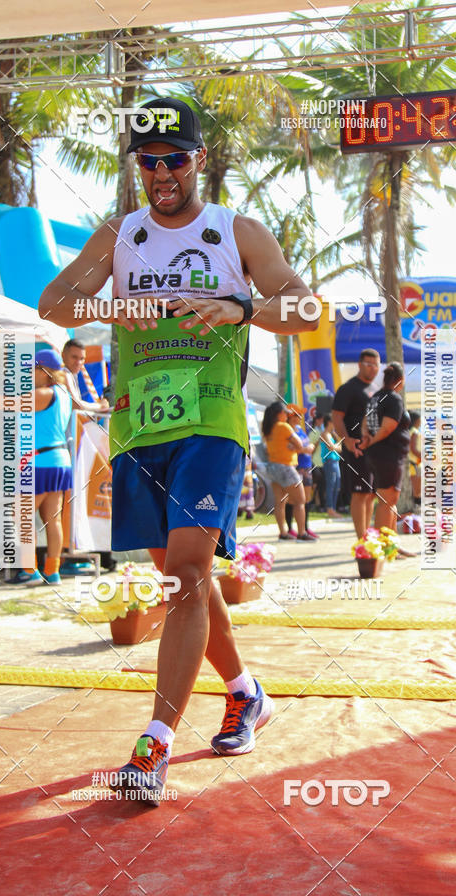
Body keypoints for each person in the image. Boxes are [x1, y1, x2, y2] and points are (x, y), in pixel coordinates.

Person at [38, 96, 317, 805]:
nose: (163, 173)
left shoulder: (235, 231)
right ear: (138, 167)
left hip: (212, 425)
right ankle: (247, 692)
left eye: (176, 159)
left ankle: (153, 747)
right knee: (181, 583)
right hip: (139, 429)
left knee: (190, 571)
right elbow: (54, 302)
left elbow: (305, 307)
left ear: (199, 160)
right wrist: (112, 305)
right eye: (149, 161)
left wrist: (242, 308)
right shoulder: (120, 233)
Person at [0, 349, 73, 585]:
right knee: (53, 520)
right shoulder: (63, 394)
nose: (29, 373)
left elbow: (9, 403)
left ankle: (29, 571)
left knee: (21, 516)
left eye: (33, 369)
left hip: (39, 463)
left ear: (44, 371)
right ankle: (53, 571)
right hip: (59, 460)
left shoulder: (43, 394)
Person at [59, 338, 110, 576]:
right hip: (66, 447)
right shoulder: (63, 374)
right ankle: (66, 555)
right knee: (66, 501)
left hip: (70, 446)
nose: (78, 362)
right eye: (74, 357)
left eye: (81, 358)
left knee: (68, 501)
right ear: (63, 355)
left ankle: (67, 553)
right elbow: (75, 405)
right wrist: (98, 408)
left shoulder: (71, 376)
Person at [331, 348, 380, 538]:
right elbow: (336, 417)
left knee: (371, 494)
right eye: (369, 364)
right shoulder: (348, 389)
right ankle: (362, 540)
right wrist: (347, 440)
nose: (373, 369)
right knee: (360, 493)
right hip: (356, 448)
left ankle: (368, 535)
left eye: (376, 365)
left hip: (374, 449)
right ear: (360, 365)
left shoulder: (376, 390)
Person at [361, 362, 410, 534]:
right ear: (401, 380)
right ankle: (382, 543)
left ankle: (392, 542)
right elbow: (387, 427)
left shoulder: (375, 397)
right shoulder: (393, 398)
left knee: (390, 500)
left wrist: (367, 439)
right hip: (388, 455)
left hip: (378, 454)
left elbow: (365, 423)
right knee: (387, 500)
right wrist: (372, 440)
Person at [262, 401, 315, 541]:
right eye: (285, 412)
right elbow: (299, 444)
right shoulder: (283, 426)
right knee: (300, 501)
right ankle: (302, 532)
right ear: (279, 414)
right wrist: (300, 447)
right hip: (286, 467)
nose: (287, 415)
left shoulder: (268, 428)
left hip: (272, 466)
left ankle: (283, 533)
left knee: (280, 503)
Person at [284, 404, 318, 539]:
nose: (300, 418)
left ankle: (305, 527)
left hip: (306, 465)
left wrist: (309, 446)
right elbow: (290, 448)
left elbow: (306, 443)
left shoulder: (299, 429)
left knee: (306, 498)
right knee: (293, 499)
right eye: (298, 415)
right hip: (295, 466)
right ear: (291, 417)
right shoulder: (287, 430)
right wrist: (304, 449)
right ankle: (290, 528)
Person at [318, 414, 342, 518]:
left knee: (337, 485)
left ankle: (333, 508)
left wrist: (335, 444)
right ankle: (330, 509)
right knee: (331, 486)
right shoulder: (325, 434)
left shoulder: (331, 434)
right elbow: (332, 447)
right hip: (329, 462)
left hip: (335, 462)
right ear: (330, 422)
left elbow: (340, 447)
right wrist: (336, 446)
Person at [409, 412, 422, 509]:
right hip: (413, 463)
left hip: (412, 463)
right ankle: (416, 510)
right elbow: (413, 449)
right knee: (417, 491)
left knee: (415, 490)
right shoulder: (415, 432)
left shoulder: (409, 431)